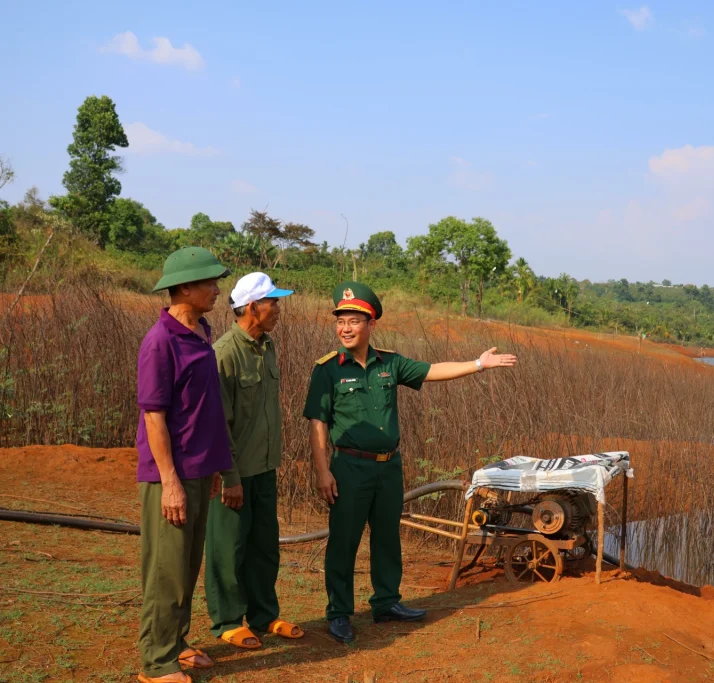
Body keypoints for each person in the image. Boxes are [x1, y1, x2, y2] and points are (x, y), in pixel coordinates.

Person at [303, 282, 517, 644]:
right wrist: (323, 470)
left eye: (354, 321)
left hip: (389, 467)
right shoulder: (327, 370)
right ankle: (339, 613)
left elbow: (433, 370)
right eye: (341, 322)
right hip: (349, 468)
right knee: (344, 542)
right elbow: (318, 424)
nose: (345, 328)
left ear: (371, 324)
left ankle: (386, 602)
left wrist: (479, 364)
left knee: (387, 537)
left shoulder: (390, 362)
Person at [136, 247, 232, 683]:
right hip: (169, 474)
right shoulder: (160, 341)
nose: (217, 290)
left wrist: (211, 468)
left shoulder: (201, 333)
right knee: (166, 570)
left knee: (188, 564)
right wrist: (170, 481)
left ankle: (176, 644)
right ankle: (157, 663)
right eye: (210, 283)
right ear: (185, 288)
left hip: (199, 469)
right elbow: (154, 416)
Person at [205, 272, 304, 650]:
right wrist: (229, 476)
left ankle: (263, 615)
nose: (278, 309)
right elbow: (218, 422)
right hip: (233, 472)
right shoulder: (224, 354)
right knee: (228, 548)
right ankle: (228, 620)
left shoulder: (268, 347)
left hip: (264, 467)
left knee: (264, 545)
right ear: (251, 308)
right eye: (273, 302)